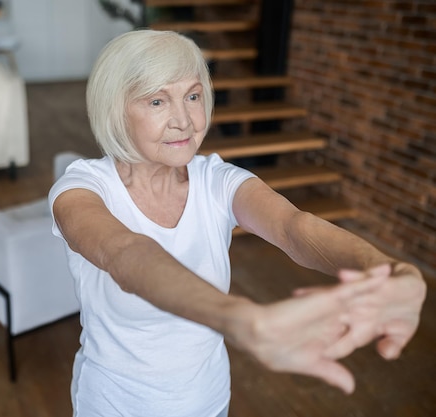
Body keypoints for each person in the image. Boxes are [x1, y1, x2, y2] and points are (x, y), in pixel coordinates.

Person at [48, 29, 426, 417]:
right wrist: (241, 319)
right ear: (115, 108)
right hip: (115, 405)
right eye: (158, 100)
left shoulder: (217, 180)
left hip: (209, 401)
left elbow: (294, 227)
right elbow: (125, 253)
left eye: (193, 96)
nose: (184, 120)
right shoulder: (82, 189)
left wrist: (391, 270)